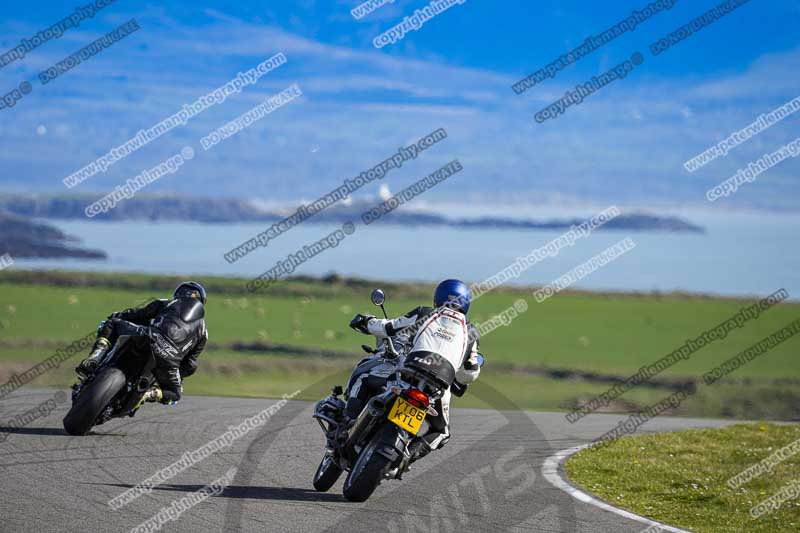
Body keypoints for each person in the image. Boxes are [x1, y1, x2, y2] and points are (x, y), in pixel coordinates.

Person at [347, 279, 482, 456]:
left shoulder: (425, 312)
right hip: (438, 385)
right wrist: (459, 378)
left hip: (410, 371)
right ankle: (407, 457)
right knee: (442, 433)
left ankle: (349, 422)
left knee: (364, 377)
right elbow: (470, 373)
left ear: (438, 297)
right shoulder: (472, 333)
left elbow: (388, 327)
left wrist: (367, 321)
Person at [76, 281, 208, 405]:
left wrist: (117, 315)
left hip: (148, 335)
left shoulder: (168, 303)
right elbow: (190, 364)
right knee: (175, 394)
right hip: (170, 359)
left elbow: (137, 314)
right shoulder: (203, 332)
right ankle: (148, 394)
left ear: (178, 294)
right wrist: (179, 376)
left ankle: (96, 357)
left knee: (112, 324)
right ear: (202, 301)